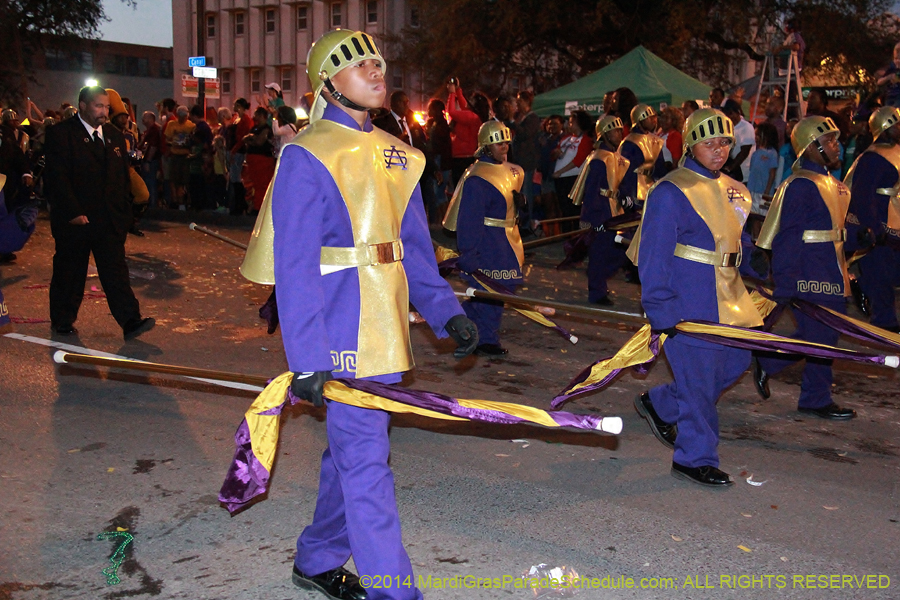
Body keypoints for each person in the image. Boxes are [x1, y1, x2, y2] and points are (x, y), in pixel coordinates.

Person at [264, 29, 477, 600]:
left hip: (385, 333)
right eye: (358, 64)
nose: (376, 70)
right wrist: (306, 358)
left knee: (352, 453)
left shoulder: (402, 154)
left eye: (377, 61)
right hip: (337, 335)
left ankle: (316, 559)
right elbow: (296, 267)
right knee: (366, 465)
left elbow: (415, 249)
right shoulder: (305, 155)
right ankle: (395, 591)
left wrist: (444, 311)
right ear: (328, 84)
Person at [630, 108, 766, 487]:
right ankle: (694, 456)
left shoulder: (737, 189)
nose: (719, 149)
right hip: (690, 299)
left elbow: (741, 240)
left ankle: (661, 404)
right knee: (699, 380)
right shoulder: (671, 190)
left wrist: (760, 271)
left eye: (724, 141)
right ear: (691, 144)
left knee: (735, 362)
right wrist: (661, 309)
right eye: (709, 142)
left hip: (732, 297)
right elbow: (654, 255)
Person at [753, 116, 858, 420]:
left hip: (832, 271)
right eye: (828, 141)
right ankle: (778, 367)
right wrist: (786, 282)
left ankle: (812, 394)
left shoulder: (833, 185)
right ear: (810, 147)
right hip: (808, 272)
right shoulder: (799, 184)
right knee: (820, 339)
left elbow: (834, 231)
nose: (836, 146)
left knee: (827, 337)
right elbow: (787, 237)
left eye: (836, 140)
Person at [44, 85, 154, 340]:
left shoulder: (115, 136)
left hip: (108, 219)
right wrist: (72, 211)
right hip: (76, 219)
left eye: (106, 107)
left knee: (116, 272)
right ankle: (62, 319)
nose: (104, 111)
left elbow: (121, 178)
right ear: (82, 105)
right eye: (98, 106)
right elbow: (57, 178)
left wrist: (124, 214)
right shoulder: (61, 134)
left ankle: (130, 320)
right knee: (70, 271)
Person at [443, 120, 524, 356]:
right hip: (488, 242)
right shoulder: (477, 177)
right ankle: (482, 337)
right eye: (498, 141)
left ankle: (469, 328)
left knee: (498, 291)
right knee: (489, 291)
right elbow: (470, 219)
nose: (504, 146)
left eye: (506, 141)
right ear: (486, 145)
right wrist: (468, 252)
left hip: (508, 240)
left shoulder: (513, 171)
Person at [843, 106, 900, 332]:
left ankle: (859, 282)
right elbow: (863, 195)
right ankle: (884, 321)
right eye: (895, 123)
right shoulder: (872, 158)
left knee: (889, 272)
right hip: (879, 224)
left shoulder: (896, 151)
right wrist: (873, 226)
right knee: (881, 274)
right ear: (885, 127)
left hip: (894, 220)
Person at [569, 115, 629, 305]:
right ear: (604, 134)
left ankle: (598, 277)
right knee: (600, 252)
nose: (619, 134)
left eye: (620, 130)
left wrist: (627, 199)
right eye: (614, 130)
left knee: (622, 249)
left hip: (616, 210)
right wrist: (595, 219)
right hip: (602, 211)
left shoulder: (617, 157)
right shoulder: (598, 159)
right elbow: (592, 190)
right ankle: (597, 291)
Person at [552, 110, 594, 230]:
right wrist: (556, 153)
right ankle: (566, 233)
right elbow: (554, 154)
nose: (569, 125)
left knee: (573, 209)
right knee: (564, 209)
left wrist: (560, 171)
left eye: (572, 122)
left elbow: (578, 160)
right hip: (561, 179)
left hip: (573, 178)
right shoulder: (566, 138)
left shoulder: (585, 140)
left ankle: (575, 233)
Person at [619, 103, 665, 205]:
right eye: (649, 117)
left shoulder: (656, 141)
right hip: (635, 190)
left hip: (653, 189)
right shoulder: (629, 143)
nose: (654, 120)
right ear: (639, 121)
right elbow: (625, 173)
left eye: (654, 117)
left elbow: (660, 169)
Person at [446, 79, 487, 185]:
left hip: (462, 159)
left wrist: (452, 93)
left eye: (471, 100)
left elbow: (452, 112)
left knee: (459, 187)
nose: (468, 101)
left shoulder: (470, 116)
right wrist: (458, 90)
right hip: (467, 157)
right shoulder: (474, 116)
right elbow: (464, 106)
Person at [512, 90, 542, 227]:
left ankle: (526, 222)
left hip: (527, 162)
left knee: (526, 193)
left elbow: (525, 134)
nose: (517, 105)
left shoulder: (532, 118)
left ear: (526, 102)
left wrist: (514, 123)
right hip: (517, 160)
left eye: (519, 101)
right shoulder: (519, 117)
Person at [242, 106, 276, 213]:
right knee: (253, 184)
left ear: (262, 116)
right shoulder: (255, 128)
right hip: (254, 160)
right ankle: (255, 205)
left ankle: (259, 207)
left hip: (263, 160)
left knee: (262, 184)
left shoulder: (266, 129)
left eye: (256, 114)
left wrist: (251, 139)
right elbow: (245, 139)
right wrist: (251, 139)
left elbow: (259, 142)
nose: (254, 116)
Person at [164, 105, 196, 210]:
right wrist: (173, 143)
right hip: (175, 154)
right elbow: (167, 139)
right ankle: (175, 200)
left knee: (185, 179)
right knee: (174, 179)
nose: (183, 118)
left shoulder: (191, 125)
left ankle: (185, 201)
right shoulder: (171, 124)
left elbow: (194, 140)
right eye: (181, 115)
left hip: (185, 155)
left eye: (185, 116)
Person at [747, 122, 780, 219]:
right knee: (753, 216)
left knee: (763, 216)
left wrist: (767, 190)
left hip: (764, 191)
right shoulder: (756, 153)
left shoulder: (772, 153)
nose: (756, 137)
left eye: (758, 135)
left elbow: (772, 174)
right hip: (753, 189)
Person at [722, 99, 755, 183]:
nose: (729, 117)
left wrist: (730, 168)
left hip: (744, 173)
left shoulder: (746, 127)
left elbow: (744, 151)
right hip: (732, 174)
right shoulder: (727, 127)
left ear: (737, 112)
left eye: (730, 113)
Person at [138, 111, 162, 208]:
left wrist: (148, 160)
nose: (143, 120)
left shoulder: (153, 131)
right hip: (149, 160)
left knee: (150, 182)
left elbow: (153, 146)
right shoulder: (149, 131)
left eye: (145, 118)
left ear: (151, 119)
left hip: (151, 161)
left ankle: (152, 206)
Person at [876, 41, 900, 107]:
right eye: (896, 59)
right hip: (890, 96)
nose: (897, 61)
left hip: (899, 96)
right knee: (887, 110)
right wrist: (888, 77)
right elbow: (879, 82)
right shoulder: (891, 69)